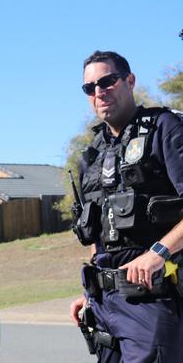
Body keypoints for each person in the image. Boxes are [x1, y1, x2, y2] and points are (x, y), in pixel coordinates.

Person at [68, 50, 183, 362]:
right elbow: (100, 233)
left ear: (129, 81)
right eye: (90, 87)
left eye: (107, 81)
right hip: (104, 306)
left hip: (152, 299)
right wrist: (90, 294)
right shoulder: (91, 154)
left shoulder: (164, 129)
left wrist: (157, 254)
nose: (99, 92)